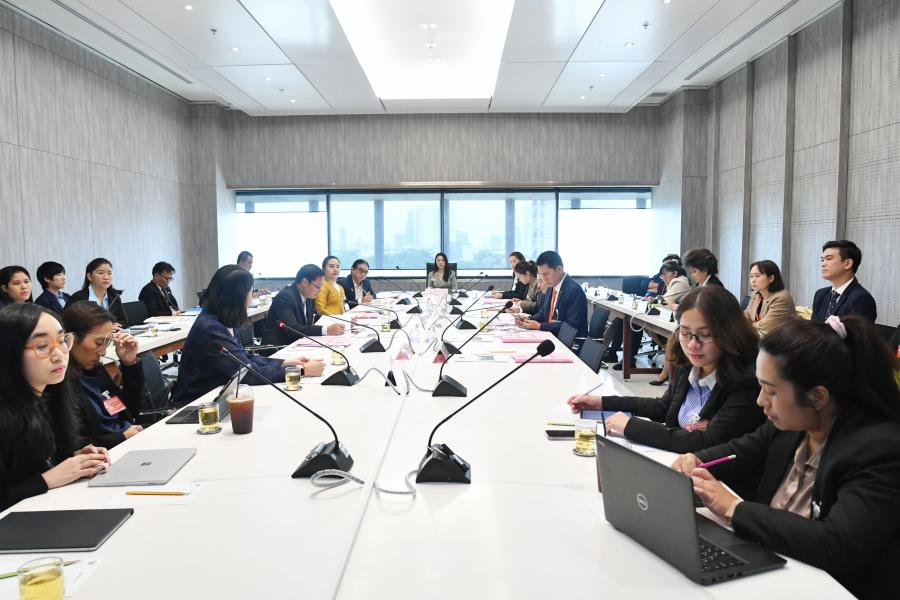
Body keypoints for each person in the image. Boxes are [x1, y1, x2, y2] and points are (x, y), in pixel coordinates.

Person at [671, 316, 900, 600]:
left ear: (817, 397)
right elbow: (741, 451)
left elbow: (838, 545)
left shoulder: (879, 450)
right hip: (772, 569)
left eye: (771, 391)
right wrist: (695, 460)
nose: (760, 401)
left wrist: (734, 509)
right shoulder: (793, 425)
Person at [569, 287, 764, 453]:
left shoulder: (746, 382)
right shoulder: (690, 364)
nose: (692, 345)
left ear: (730, 333)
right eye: (685, 333)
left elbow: (706, 441)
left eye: (705, 335)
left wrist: (632, 426)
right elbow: (664, 407)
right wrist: (602, 402)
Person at [0, 303, 110, 511]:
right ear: (8, 352)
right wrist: (47, 479)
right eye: (42, 346)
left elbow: (35, 465)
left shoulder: (46, 399)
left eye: (62, 341)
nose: (59, 354)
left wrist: (73, 459)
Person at [172, 266, 323, 406]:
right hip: (198, 407)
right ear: (238, 297)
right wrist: (301, 371)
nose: (251, 299)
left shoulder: (223, 319)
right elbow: (247, 374)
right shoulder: (211, 328)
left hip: (217, 398)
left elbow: (244, 358)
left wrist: (285, 363)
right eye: (251, 292)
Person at [62, 302, 144, 449]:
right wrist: (121, 438)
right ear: (71, 339)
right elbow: (71, 446)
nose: (103, 352)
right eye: (99, 342)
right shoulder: (59, 383)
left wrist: (129, 364)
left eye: (107, 343)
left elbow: (128, 411)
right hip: (109, 451)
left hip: (130, 439)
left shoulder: (95, 371)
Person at [262, 264, 345, 347]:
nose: (320, 291)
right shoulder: (285, 298)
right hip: (278, 348)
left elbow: (309, 322)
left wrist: (338, 322)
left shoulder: (308, 296)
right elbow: (292, 329)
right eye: (318, 287)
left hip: (299, 344)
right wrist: (325, 330)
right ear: (305, 282)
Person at [519, 251, 587, 338]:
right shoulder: (552, 286)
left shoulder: (574, 290)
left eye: (546, 274)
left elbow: (571, 326)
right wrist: (527, 319)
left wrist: (541, 326)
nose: (544, 279)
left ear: (559, 269)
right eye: (541, 275)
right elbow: (543, 313)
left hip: (567, 341)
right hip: (550, 336)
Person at [811, 240, 876, 323]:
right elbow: (813, 328)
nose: (823, 264)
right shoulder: (820, 294)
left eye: (829, 259)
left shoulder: (862, 299)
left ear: (847, 263)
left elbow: (858, 331)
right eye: (822, 260)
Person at [744, 260, 795, 335]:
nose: (753, 280)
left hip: (782, 337)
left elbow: (767, 325)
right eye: (751, 276)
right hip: (760, 335)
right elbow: (747, 314)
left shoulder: (781, 297)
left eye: (757, 276)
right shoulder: (756, 294)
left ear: (771, 278)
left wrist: (746, 327)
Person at [69, 258, 127, 326]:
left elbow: (123, 321)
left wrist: (116, 325)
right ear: (89, 276)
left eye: (109, 273)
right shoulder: (78, 298)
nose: (106, 277)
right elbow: (69, 324)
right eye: (101, 273)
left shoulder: (114, 296)